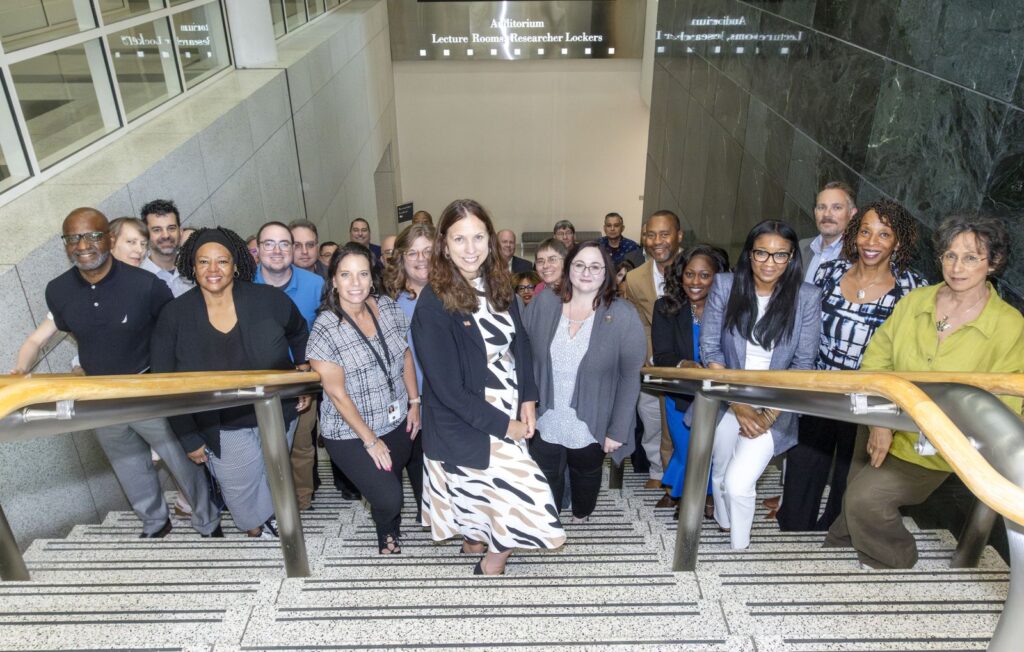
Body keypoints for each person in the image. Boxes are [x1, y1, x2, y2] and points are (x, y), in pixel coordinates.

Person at [826, 213, 1024, 569]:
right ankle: (834, 557)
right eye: (949, 255)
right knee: (853, 496)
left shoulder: (1009, 325)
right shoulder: (916, 302)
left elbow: (1006, 402)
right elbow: (876, 360)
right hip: (878, 420)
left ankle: (894, 561)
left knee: (865, 500)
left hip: (937, 445)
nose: (957, 267)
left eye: (970, 257)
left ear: (993, 263)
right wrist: (879, 424)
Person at [14, 208, 221, 538]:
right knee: (128, 464)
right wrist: (20, 372)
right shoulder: (58, 289)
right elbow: (39, 337)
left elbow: (176, 337)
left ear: (109, 239)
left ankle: (208, 521)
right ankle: (155, 522)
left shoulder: (145, 285)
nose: (84, 245)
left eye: (94, 236)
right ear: (65, 245)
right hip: (100, 398)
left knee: (181, 461)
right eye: (73, 238)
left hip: (149, 389)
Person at [412, 198, 565, 576]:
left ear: (490, 239)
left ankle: (477, 541)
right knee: (521, 488)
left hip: (508, 400)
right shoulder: (433, 303)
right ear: (443, 245)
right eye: (459, 239)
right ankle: (492, 559)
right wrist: (505, 425)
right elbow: (447, 389)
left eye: (478, 237)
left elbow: (522, 343)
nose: (470, 248)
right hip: (467, 416)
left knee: (486, 486)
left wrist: (528, 397)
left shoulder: (498, 284)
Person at [151, 227, 310, 538]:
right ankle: (260, 528)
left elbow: (299, 330)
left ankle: (276, 529)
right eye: (203, 262)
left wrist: (302, 373)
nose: (213, 270)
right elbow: (164, 383)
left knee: (273, 474)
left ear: (236, 265)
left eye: (222, 261)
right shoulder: (174, 315)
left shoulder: (268, 299)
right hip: (218, 423)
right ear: (191, 267)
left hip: (277, 409)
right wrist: (188, 436)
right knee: (239, 482)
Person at [778, 199, 925, 532]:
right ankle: (793, 534)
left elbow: (909, 352)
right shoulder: (830, 273)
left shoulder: (911, 290)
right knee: (803, 468)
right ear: (854, 235)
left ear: (897, 242)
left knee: (850, 477)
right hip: (819, 390)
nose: (871, 242)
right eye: (865, 232)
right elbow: (803, 328)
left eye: (884, 234)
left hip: (868, 400)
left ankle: (836, 537)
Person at [701, 220, 821, 549]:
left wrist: (766, 416)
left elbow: (802, 365)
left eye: (780, 255)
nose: (770, 263)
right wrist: (739, 406)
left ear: (792, 258)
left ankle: (740, 547)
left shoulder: (806, 297)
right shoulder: (725, 286)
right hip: (728, 397)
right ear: (749, 255)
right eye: (762, 253)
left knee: (739, 483)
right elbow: (710, 348)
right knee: (721, 468)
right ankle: (725, 524)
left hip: (777, 405)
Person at [307, 243, 421, 554]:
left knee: (392, 479)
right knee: (389, 496)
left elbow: (405, 354)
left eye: (362, 274)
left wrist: (414, 402)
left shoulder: (388, 308)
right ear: (334, 281)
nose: (355, 283)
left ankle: (388, 532)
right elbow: (336, 393)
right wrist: (370, 440)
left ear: (372, 279)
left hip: (396, 417)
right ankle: (385, 517)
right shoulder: (325, 328)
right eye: (346, 275)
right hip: (350, 431)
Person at [522, 241, 645, 522]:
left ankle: (581, 513)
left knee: (585, 471)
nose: (586, 272)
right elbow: (523, 352)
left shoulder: (623, 315)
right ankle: (547, 518)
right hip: (547, 412)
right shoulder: (544, 303)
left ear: (606, 273)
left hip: (593, 415)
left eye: (595, 266)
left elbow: (629, 378)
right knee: (546, 471)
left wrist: (618, 429)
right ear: (569, 269)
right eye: (579, 265)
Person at [651, 245, 730, 513]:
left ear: (718, 277)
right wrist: (684, 364)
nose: (695, 282)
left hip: (721, 395)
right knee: (689, 449)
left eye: (704, 275)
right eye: (689, 274)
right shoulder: (665, 306)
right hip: (681, 395)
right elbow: (662, 355)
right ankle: (697, 497)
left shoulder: (729, 309)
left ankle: (683, 490)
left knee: (711, 447)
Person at [253, 221, 325, 512]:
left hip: (301, 380)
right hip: (256, 381)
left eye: (286, 243)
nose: (278, 250)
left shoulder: (316, 285)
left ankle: (301, 501)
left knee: (300, 447)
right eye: (269, 243)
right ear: (257, 250)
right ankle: (267, 504)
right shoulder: (244, 284)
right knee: (259, 448)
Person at [622, 210, 683, 489]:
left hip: (688, 361)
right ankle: (658, 472)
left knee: (682, 424)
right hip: (651, 364)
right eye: (650, 234)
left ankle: (681, 476)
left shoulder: (695, 269)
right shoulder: (634, 279)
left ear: (678, 236)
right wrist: (648, 356)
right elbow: (639, 323)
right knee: (651, 419)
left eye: (664, 233)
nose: (657, 241)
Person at [383, 222, 436, 516]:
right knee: (416, 456)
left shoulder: (455, 297)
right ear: (401, 258)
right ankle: (426, 510)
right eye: (413, 252)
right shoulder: (392, 304)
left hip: (449, 396)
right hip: (411, 397)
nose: (421, 259)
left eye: (427, 251)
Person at [800, 181, 857, 283]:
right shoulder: (801, 247)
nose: (827, 214)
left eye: (837, 207)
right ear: (815, 212)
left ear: (852, 213)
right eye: (821, 207)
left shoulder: (858, 257)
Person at [141, 199, 193, 297]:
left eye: (171, 228)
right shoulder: (140, 278)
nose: (166, 235)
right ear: (145, 235)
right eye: (157, 230)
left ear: (180, 232)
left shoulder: (196, 266)